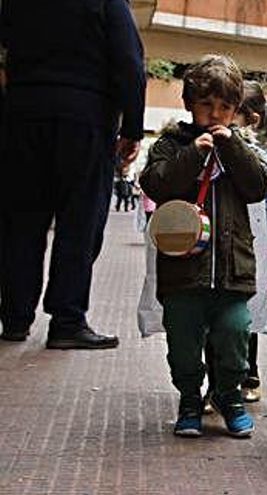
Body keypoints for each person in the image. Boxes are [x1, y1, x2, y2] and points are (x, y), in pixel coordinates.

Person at [0, 0, 145, 347]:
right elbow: (129, 62)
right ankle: (67, 320)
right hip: (85, 119)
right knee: (80, 224)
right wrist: (133, 128)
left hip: (22, 116)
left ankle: (15, 316)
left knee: (20, 222)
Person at [140, 55, 267, 438]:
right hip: (182, 273)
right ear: (189, 103)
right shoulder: (171, 144)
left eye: (225, 107)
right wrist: (192, 154)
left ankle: (229, 397)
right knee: (183, 344)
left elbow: (258, 187)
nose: (216, 114)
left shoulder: (240, 146)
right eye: (207, 104)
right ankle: (189, 400)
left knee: (234, 337)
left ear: (236, 111)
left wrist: (232, 148)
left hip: (233, 275)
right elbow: (155, 184)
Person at [204, 80, 267, 406]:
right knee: (212, 319)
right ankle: (215, 385)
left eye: (230, 110)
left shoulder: (266, 158)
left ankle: (247, 373)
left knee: (244, 319)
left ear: (250, 120)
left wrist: (250, 165)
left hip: (248, 255)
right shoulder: (206, 148)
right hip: (210, 252)